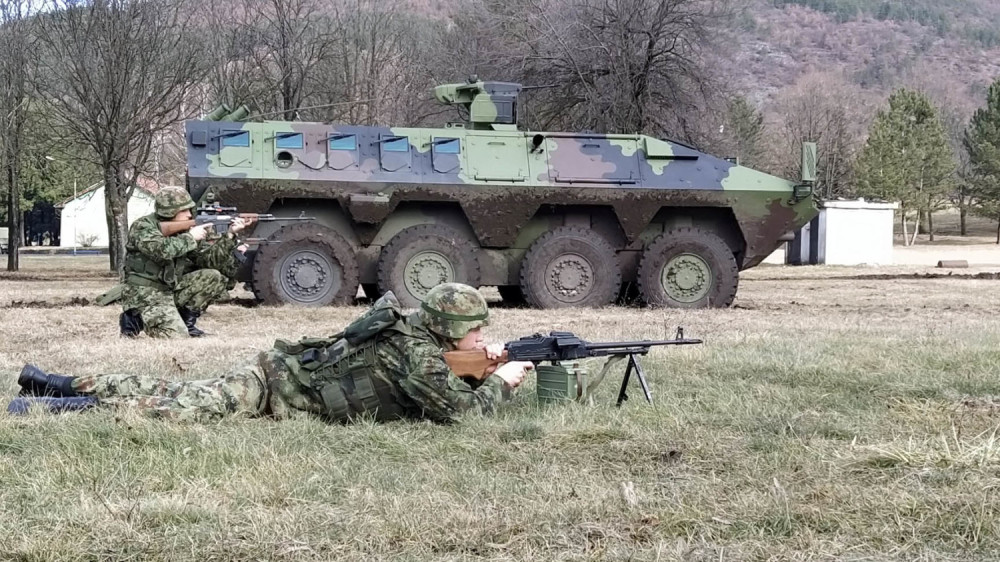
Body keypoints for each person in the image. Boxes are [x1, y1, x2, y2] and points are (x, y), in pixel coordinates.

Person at [9, 283, 535, 424]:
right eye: (476, 329)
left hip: (280, 379)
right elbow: (461, 412)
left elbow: (441, 384)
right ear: (449, 328)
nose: (483, 334)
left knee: (168, 391)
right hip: (272, 385)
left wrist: (480, 364)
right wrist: (502, 380)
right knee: (183, 406)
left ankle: (48, 381)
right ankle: (48, 400)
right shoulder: (417, 353)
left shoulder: (418, 334)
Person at [118, 186, 247, 338]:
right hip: (144, 292)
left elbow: (208, 261)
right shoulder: (143, 226)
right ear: (169, 211)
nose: (189, 214)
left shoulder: (186, 230)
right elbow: (161, 251)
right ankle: (135, 318)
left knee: (213, 276)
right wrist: (190, 238)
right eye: (184, 210)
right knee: (175, 336)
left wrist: (230, 235)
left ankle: (187, 324)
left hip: (169, 288)